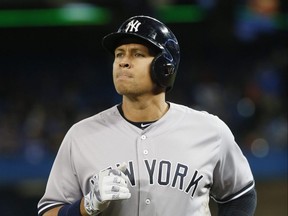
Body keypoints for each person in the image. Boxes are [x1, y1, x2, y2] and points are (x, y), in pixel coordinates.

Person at [37, 15, 257, 216]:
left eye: (137, 54)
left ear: (165, 67)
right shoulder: (81, 136)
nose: (123, 61)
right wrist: (85, 206)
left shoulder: (210, 130)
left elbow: (240, 195)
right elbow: (48, 211)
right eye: (119, 54)